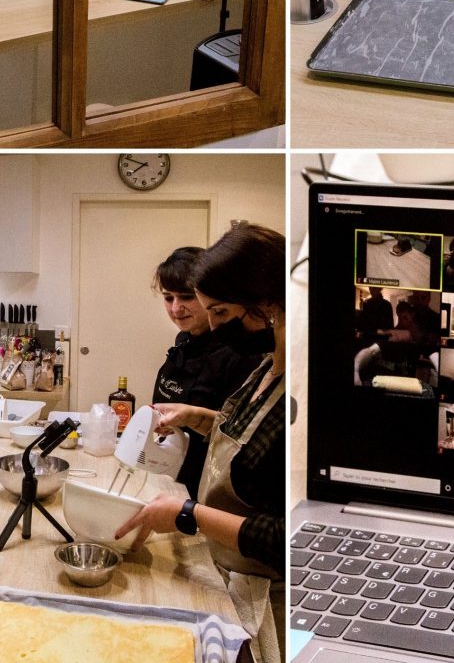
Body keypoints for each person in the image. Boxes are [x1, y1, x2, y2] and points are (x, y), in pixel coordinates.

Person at [116, 224, 285, 662]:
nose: (211, 326)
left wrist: (188, 513)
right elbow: (246, 440)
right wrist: (198, 417)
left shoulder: (302, 396)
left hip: (266, 601)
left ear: (267, 305)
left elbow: (288, 537)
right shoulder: (264, 371)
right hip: (223, 575)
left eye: (222, 313)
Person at [150, 247, 259, 498]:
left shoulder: (239, 354)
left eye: (186, 297)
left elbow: (240, 433)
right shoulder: (183, 340)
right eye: (168, 298)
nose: (176, 308)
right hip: (172, 473)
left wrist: (191, 417)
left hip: (210, 485)